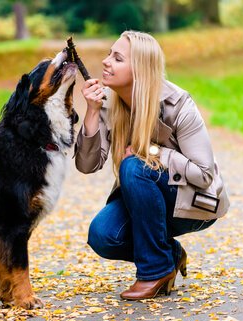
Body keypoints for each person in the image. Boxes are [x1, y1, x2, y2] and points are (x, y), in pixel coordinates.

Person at [74, 30, 229, 300]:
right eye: (110, 53)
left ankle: (155, 271)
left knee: (134, 166)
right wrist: (91, 111)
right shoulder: (109, 103)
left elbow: (204, 175)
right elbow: (87, 165)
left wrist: (153, 152)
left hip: (194, 203)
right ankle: (168, 253)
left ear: (140, 69)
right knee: (103, 236)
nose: (106, 61)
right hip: (146, 197)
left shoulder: (178, 104)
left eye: (118, 58)